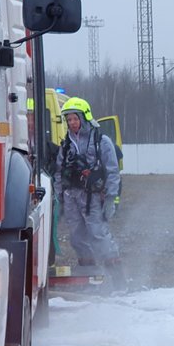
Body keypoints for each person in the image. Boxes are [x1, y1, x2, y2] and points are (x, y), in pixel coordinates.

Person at [54, 97, 123, 287]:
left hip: (92, 197)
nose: (72, 123)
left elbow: (112, 171)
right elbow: (60, 172)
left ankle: (117, 279)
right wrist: (59, 197)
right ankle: (89, 278)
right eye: (68, 120)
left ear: (84, 117)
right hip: (71, 197)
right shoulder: (66, 144)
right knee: (77, 237)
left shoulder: (101, 141)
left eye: (75, 119)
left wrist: (110, 198)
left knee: (97, 233)